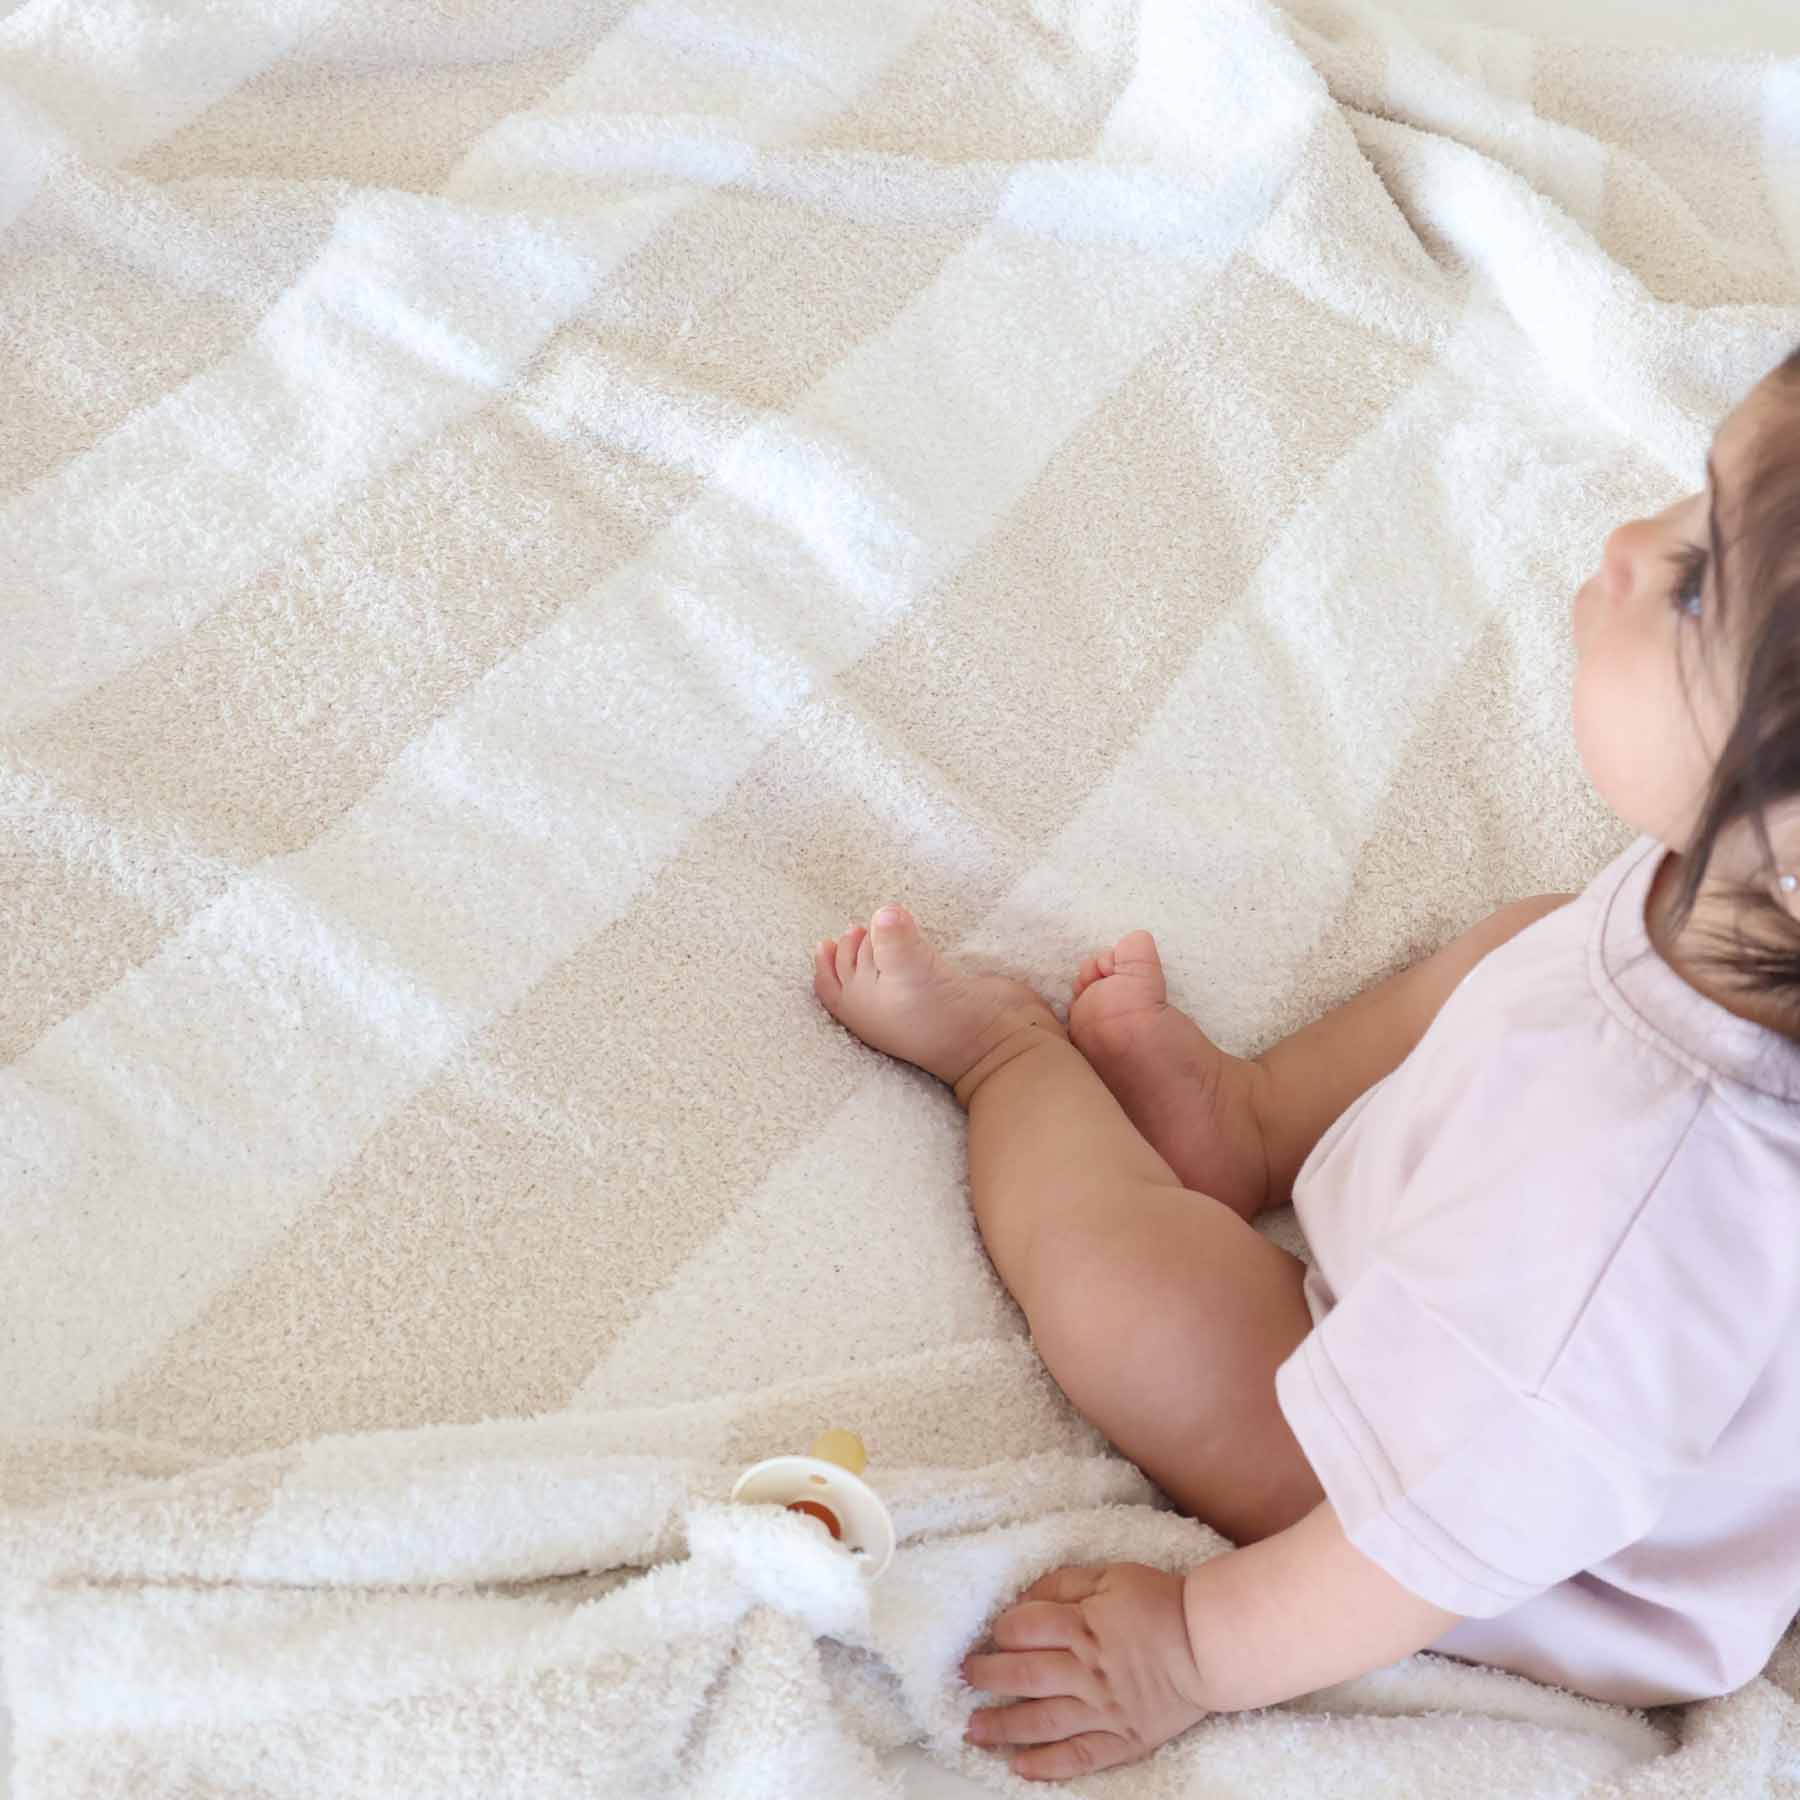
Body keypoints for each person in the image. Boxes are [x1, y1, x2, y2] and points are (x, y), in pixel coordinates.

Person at [809, 342, 1800, 1782]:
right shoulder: (1728, 910)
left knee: (1131, 1303)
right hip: (1522, 1317)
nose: (1631, 543)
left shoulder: (1644, 1208)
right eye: (1691, 501)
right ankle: (1254, 1120)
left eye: (1697, 585)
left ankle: (1005, 1062)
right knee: (1536, 941)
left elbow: (1453, 1523)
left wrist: (1194, 1648)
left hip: (1491, 1540)